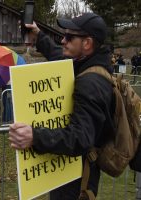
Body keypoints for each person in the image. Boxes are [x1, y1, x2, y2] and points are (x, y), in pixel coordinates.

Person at [8, 13, 114, 199]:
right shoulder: (86, 63)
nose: (63, 41)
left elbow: (81, 137)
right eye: (63, 36)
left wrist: (35, 136)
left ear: (87, 43)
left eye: (69, 37)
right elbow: (60, 56)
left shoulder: (91, 83)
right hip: (68, 170)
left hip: (79, 180)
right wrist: (38, 36)